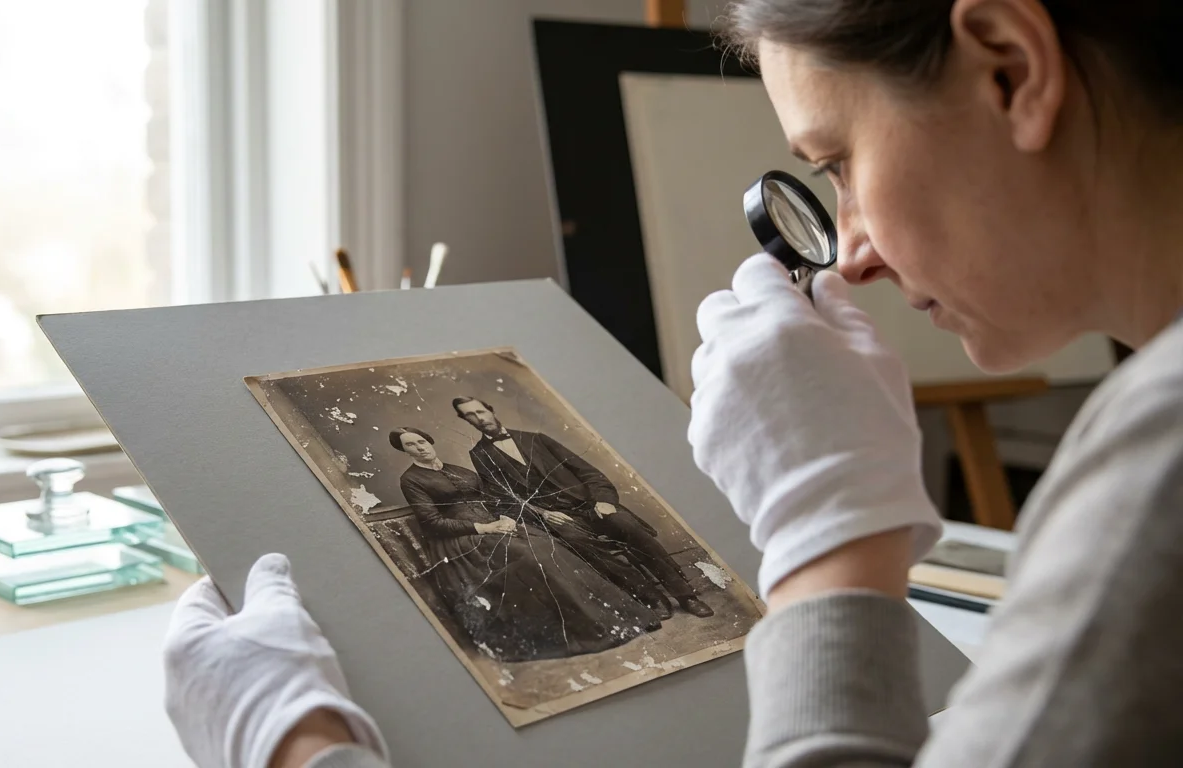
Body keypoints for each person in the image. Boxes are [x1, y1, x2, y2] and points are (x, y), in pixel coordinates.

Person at [160, 1, 1183, 766]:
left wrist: (827, 537)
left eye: (836, 159)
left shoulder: (1156, 457)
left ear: (1009, 68)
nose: (851, 254)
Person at [390, 426, 661, 661]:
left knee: (551, 548)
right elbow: (431, 523)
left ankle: (622, 618)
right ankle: (592, 631)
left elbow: (492, 498)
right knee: (532, 558)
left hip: (497, 524)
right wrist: (484, 527)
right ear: (405, 452)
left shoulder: (455, 469)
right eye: (410, 445)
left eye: (421, 441)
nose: (419, 447)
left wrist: (504, 517)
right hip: (465, 539)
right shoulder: (411, 480)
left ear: (429, 441)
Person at [454, 395, 715, 619]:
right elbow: (504, 497)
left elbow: (590, 474)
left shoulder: (537, 439)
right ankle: (652, 597)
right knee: (579, 542)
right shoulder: (480, 455)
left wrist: (604, 501)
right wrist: (545, 514)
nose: (479, 418)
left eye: (480, 411)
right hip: (559, 518)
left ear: (490, 410)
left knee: (628, 527)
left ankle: (685, 596)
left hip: (592, 506)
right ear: (466, 422)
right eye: (470, 416)